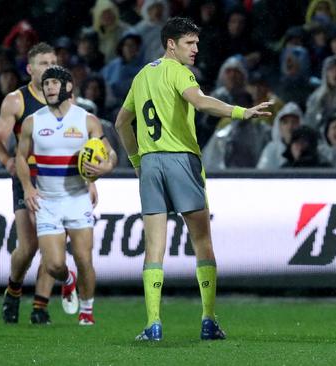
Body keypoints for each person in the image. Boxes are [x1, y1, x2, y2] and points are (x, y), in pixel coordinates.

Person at [114, 17, 271, 341]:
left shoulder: (143, 74)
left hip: (151, 164)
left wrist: (136, 162)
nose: (196, 49)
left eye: (196, 43)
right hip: (181, 160)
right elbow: (200, 102)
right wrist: (242, 112)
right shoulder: (179, 72)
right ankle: (208, 320)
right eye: (189, 43)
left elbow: (121, 123)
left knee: (154, 247)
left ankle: (153, 324)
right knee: (202, 242)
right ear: (171, 44)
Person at [15, 65, 118, 326]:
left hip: (77, 198)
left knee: (84, 258)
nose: (48, 88)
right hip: (47, 201)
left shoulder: (86, 120)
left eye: (54, 83)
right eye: (46, 84)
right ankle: (68, 280)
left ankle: (87, 311)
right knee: (53, 266)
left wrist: (105, 167)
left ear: (68, 87)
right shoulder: (32, 121)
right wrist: (28, 187)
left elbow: (111, 154)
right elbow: (20, 157)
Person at [0, 43, 61, 325]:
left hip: (58, 178)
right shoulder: (16, 100)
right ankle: (14, 288)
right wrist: (7, 161)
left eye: (53, 61)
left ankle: (40, 306)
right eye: (44, 63)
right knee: (29, 245)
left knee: (53, 242)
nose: (50, 67)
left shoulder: (66, 97)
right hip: (27, 176)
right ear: (30, 69)